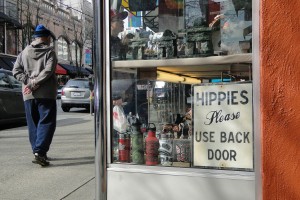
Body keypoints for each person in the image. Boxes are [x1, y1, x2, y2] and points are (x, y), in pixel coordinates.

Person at [12, 24, 58, 167]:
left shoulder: (24, 52)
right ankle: (40, 151)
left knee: (33, 124)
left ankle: (37, 152)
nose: (50, 40)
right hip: (46, 93)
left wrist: (28, 82)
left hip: (28, 94)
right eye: (49, 38)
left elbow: (15, 70)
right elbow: (48, 71)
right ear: (45, 38)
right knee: (47, 122)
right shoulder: (50, 52)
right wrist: (35, 82)